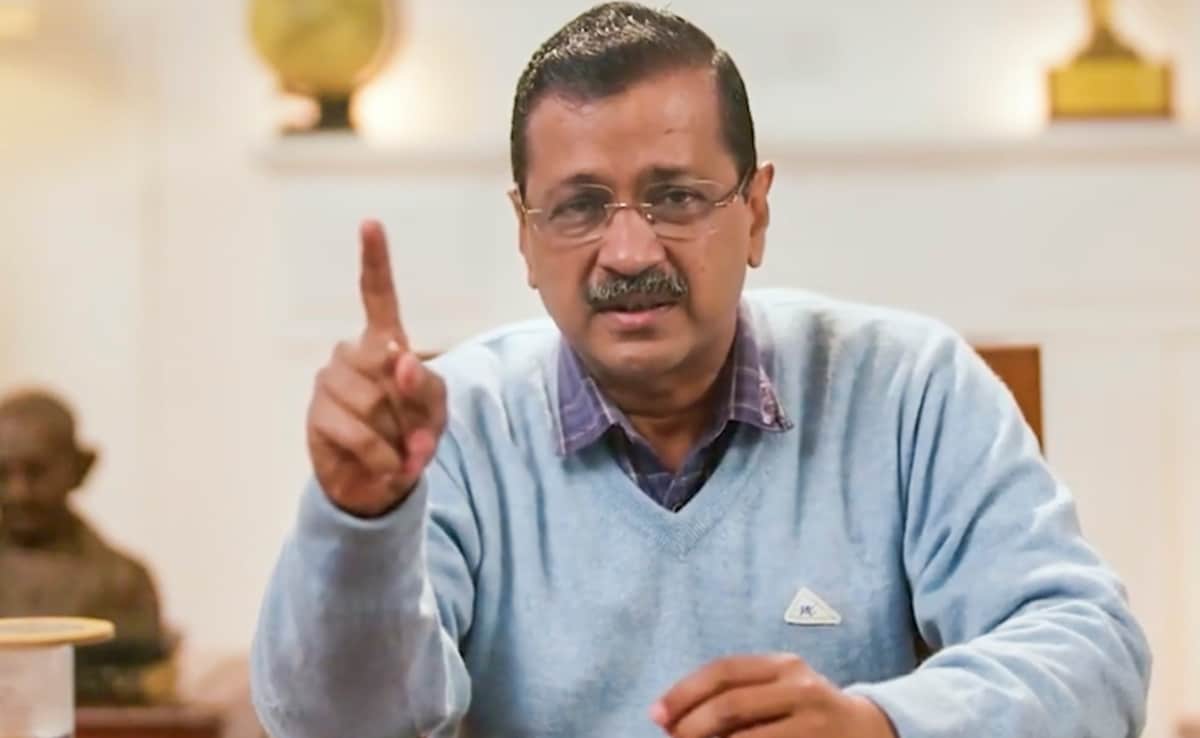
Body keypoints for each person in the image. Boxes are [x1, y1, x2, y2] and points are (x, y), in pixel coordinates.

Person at [250, 4, 1151, 737]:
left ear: (756, 212)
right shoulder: (456, 428)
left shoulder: (907, 387)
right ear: (525, 234)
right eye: (579, 207)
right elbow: (333, 727)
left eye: (676, 197)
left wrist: (879, 724)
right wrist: (358, 522)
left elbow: (1094, 655)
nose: (629, 251)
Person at [0, 389, 174, 705]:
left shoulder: (123, 581)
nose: (19, 492)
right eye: (2, 474)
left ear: (81, 467)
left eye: (36, 472)